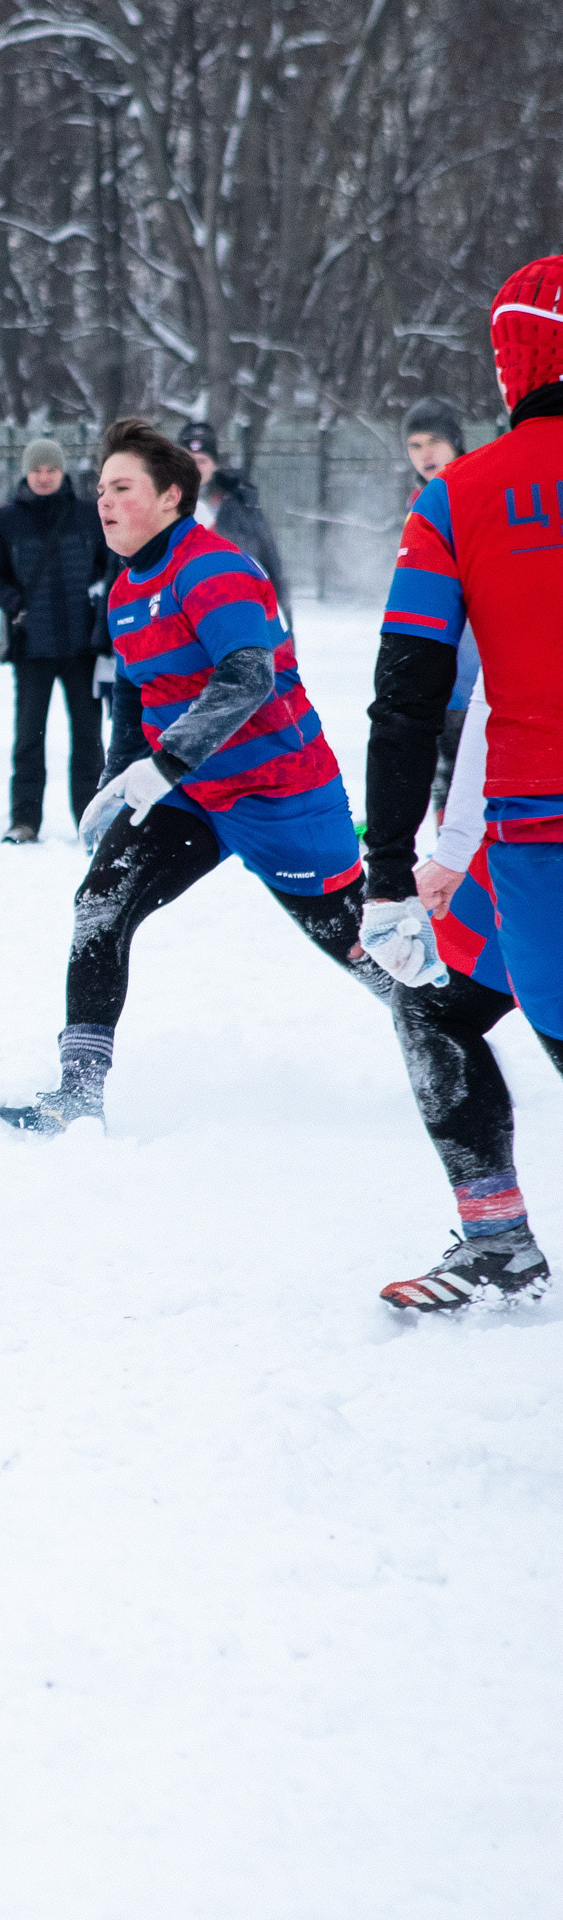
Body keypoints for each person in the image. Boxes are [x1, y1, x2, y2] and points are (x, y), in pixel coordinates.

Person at [0, 417, 379, 1132]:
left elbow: (247, 678)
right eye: (101, 487)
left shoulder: (215, 568)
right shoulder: (122, 592)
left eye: (122, 487)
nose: (103, 501)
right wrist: (118, 785)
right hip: (193, 795)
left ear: (171, 496)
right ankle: (78, 1097)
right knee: (100, 908)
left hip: (280, 793)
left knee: (358, 946)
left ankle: (452, 1029)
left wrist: (161, 766)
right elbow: (135, 702)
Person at [356, 253, 563, 1303]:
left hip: (536, 841)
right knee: (436, 1004)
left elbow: (406, 701)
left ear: (510, 360)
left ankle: (494, 1236)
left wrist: (389, 870)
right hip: (507, 843)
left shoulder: (457, 498)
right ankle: (495, 1240)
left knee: (425, 1000)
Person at [0, 436, 112, 842]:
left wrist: (100, 611)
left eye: (51, 469)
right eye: (37, 470)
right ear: (26, 473)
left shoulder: (89, 516)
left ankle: (90, 821)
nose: (44, 477)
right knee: (29, 739)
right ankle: (24, 821)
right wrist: (14, 602)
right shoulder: (5, 521)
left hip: (83, 647)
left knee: (89, 740)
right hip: (31, 648)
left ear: (62, 471)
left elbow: (112, 568)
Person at [399, 396, 478, 815]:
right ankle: (448, 865)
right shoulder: (420, 499)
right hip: (438, 653)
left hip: (479, 655)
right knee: (441, 767)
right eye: (414, 445)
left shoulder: (476, 485)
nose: (425, 453)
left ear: (455, 440)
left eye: (433, 441)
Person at [184, 435, 292, 621]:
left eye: (202, 460)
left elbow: (267, 558)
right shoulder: (160, 504)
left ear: (214, 464)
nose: (196, 467)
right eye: (188, 461)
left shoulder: (240, 502)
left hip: (229, 605)